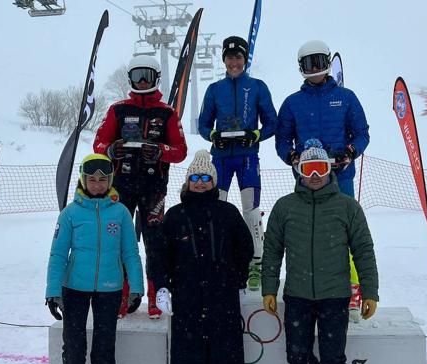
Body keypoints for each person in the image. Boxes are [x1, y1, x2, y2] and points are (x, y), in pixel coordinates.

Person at [261, 140, 379, 364]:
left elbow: (363, 251)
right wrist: (269, 289)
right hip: (298, 297)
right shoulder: (285, 207)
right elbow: (272, 250)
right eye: (308, 169)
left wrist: (370, 292)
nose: (314, 175)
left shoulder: (347, 207)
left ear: (329, 169)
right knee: (298, 356)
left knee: (333, 359)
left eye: (320, 168)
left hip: (334, 298)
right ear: (299, 171)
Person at [275, 40, 370, 321]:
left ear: (328, 62)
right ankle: (310, 291)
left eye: (318, 62)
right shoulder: (293, 102)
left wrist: (351, 153)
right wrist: (292, 156)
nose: (314, 69)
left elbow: (362, 132)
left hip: (340, 178)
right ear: (300, 67)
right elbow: (282, 139)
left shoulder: (346, 97)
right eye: (308, 64)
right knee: (309, 235)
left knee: (347, 234)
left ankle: (353, 288)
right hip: (308, 180)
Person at [93, 55, 187, 319]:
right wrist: (112, 149)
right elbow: (99, 144)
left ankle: (157, 296)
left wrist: (159, 151)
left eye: (146, 75)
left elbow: (180, 151)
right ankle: (122, 295)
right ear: (130, 79)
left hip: (153, 188)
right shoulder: (117, 109)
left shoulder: (167, 112)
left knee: (155, 243)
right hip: (120, 187)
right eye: (137, 76)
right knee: (120, 240)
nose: (142, 81)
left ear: (156, 77)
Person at [151, 150, 253, 364]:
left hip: (223, 301)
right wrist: (163, 285)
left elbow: (245, 247)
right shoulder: (175, 216)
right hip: (187, 300)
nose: (200, 183)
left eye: (205, 178)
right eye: (195, 178)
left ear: (214, 183)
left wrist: (239, 278)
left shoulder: (228, 213)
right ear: (187, 182)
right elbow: (159, 255)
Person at [45, 154, 144, 364]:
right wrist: (52, 291)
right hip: (74, 288)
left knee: (104, 346)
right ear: (83, 180)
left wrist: (137, 288)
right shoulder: (70, 213)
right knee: (73, 346)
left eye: (102, 180)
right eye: (92, 180)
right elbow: (58, 255)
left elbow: (130, 253)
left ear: (110, 181)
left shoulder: (120, 213)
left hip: (110, 289)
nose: (97, 185)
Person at [198, 35, 277, 292]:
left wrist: (255, 135)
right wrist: (213, 136)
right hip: (220, 158)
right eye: (230, 58)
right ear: (224, 60)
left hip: (246, 157)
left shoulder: (256, 86)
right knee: (217, 208)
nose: (234, 62)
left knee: (250, 209)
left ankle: (256, 261)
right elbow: (202, 124)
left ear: (245, 60)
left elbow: (272, 123)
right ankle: (220, 257)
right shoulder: (214, 89)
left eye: (238, 57)